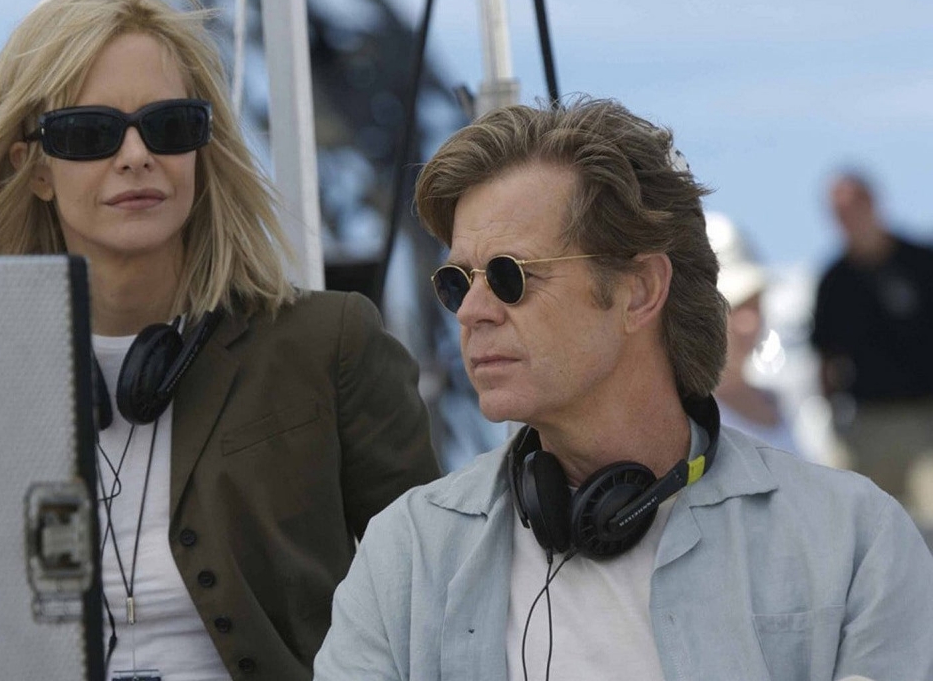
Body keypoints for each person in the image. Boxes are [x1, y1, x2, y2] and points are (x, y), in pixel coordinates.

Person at [0, 0, 440, 680]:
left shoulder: (328, 343)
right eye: (91, 132)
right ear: (34, 168)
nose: (136, 155)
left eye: (168, 125)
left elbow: (434, 602)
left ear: (202, 146)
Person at [314, 98, 933, 680]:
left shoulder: (854, 541)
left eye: (508, 275)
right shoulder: (406, 556)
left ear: (639, 291)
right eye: (456, 281)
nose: (470, 311)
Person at [810, 170, 933, 511]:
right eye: (838, 212)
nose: (847, 219)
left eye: (853, 207)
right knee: (851, 516)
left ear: (873, 203)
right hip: (865, 422)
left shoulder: (921, 263)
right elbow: (825, 361)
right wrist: (832, 421)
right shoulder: (834, 282)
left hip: (924, 418)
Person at [705, 211, 799, 456]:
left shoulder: (782, 401)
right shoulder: (685, 419)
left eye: (755, 304)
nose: (749, 323)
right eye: (735, 307)